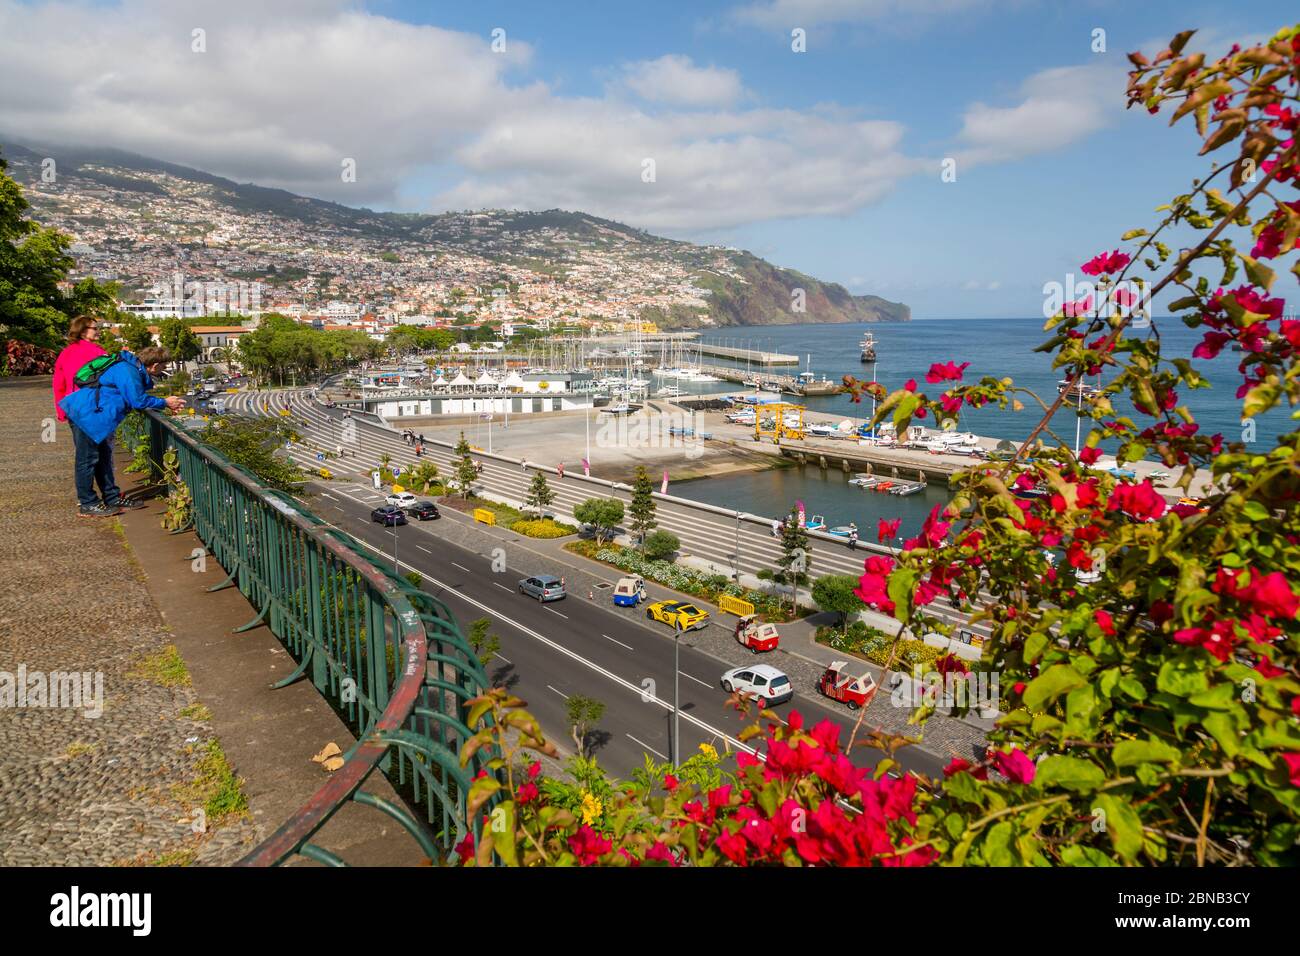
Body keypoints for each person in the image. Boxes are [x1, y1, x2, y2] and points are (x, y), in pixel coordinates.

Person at [59, 346, 185, 517]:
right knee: (87, 460)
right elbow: (138, 400)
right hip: (87, 415)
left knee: (102, 458)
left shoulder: (130, 368)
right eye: (163, 367)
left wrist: (163, 405)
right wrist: (165, 402)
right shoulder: (128, 371)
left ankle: (111, 497)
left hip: (95, 415)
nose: (163, 370)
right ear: (154, 366)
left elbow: (133, 398)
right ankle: (88, 503)